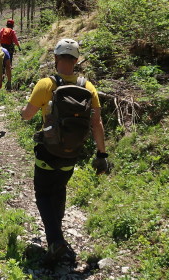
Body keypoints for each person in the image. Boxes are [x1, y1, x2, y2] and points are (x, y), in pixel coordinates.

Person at [20, 38, 109, 266]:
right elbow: (97, 123)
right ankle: (56, 235)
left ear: (56, 58)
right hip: (72, 152)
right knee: (59, 190)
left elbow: (27, 115)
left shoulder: (45, 84)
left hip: (48, 150)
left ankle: (55, 240)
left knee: (42, 193)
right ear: (76, 60)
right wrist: (101, 155)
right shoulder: (88, 88)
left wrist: (25, 109)